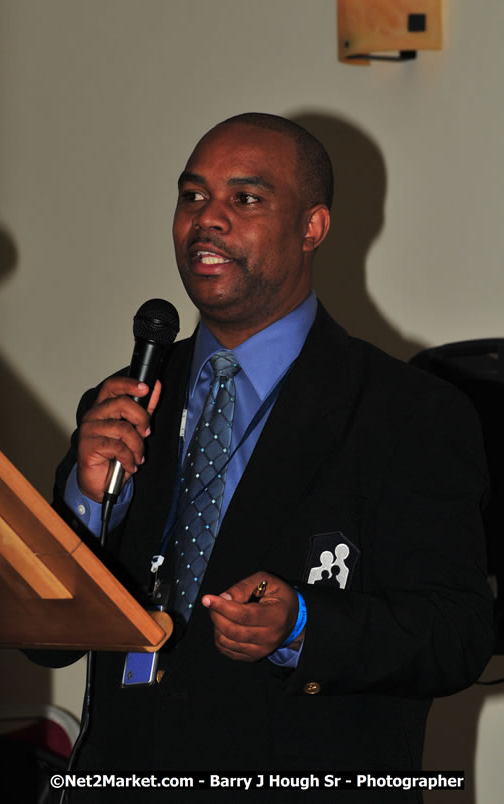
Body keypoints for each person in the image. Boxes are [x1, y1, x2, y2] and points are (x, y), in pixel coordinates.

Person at [49, 113, 493, 801]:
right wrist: (86, 501)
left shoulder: (408, 412)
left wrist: (303, 627)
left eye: (245, 198)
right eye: (193, 196)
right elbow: (47, 640)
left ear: (313, 227)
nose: (207, 218)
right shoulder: (124, 403)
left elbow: (455, 636)